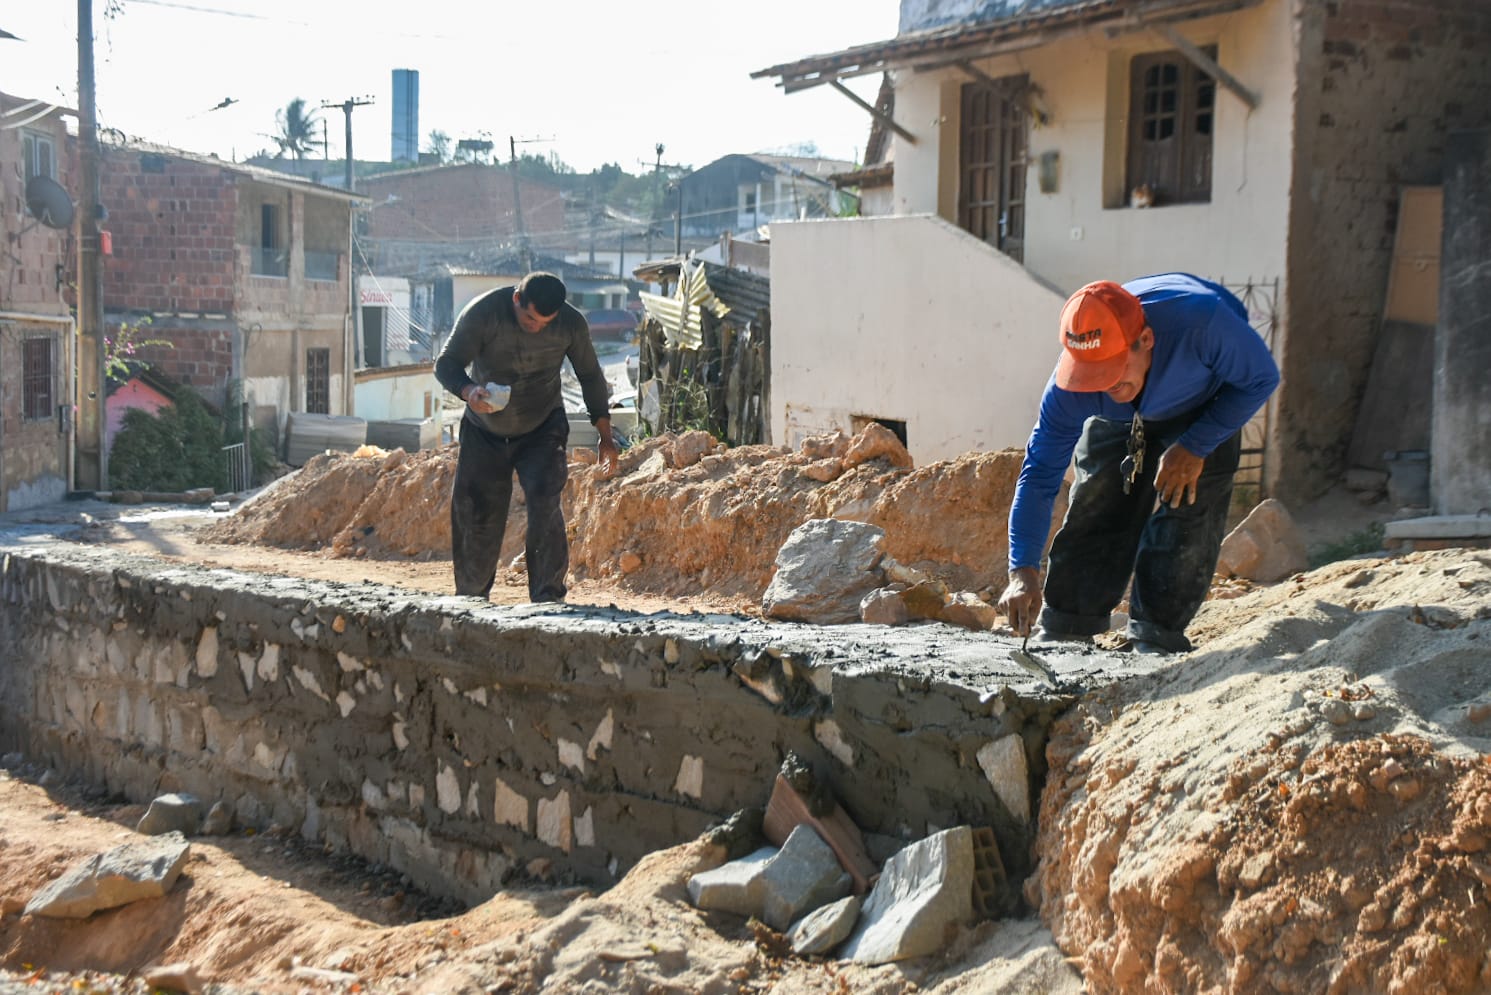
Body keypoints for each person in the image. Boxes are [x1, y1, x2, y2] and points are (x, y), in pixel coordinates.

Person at [997, 273, 1280, 654]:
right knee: (1099, 498)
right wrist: (1022, 570)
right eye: (1091, 374)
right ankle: (1068, 623)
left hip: (1204, 403)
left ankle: (1156, 634)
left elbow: (1261, 379)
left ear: (1145, 340)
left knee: (1188, 503)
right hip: (1122, 419)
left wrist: (1195, 446)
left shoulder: (1204, 325)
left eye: (1111, 370)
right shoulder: (1071, 390)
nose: (1104, 384)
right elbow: (1039, 476)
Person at [435, 271, 618, 602]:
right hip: (484, 430)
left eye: (546, 322)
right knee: (478, 513)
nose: (537, 327)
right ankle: (471, 600)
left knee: (545, 503)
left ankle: (548, 599)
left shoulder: (570, 324)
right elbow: (446, 363)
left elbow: (590, 375)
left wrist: (605, 436)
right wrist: (468, 390)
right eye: (531, 319)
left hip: (542, 426)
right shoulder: (484, 312)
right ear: (517, 299)